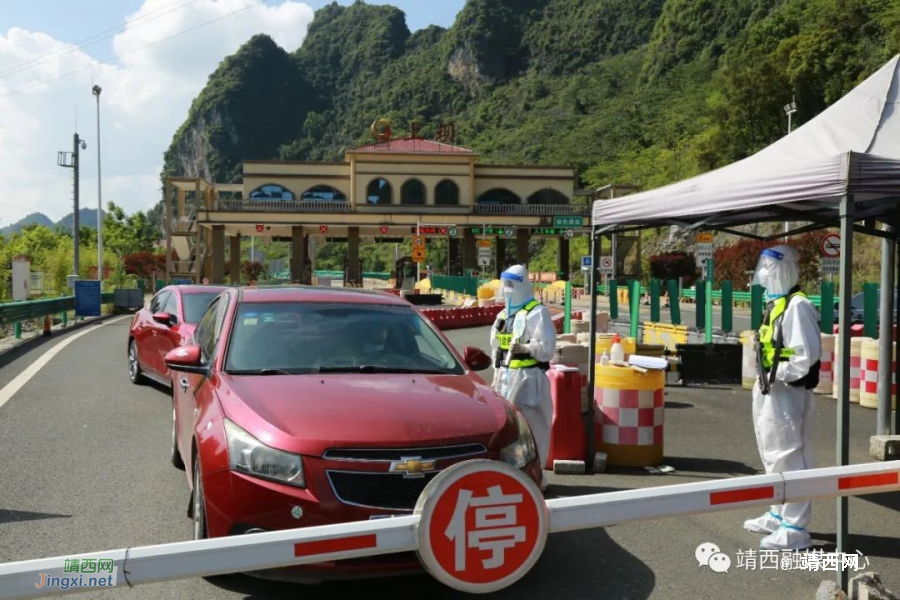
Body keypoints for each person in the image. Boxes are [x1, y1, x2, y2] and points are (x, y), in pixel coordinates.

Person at [744, 245, 822, 550]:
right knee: (770, 452)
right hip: (769, 388)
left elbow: (805, 355)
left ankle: (795, 528)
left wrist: (779, 370)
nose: (766, 275)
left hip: (787, 392)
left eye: (771, 269)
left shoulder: (797, 306)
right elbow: (785, 348)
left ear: (785, 271)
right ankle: (777, 511)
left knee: (788, 455)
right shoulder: (777, 304)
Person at [489, 264, 556, 490]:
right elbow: (495, 347)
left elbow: (547, 348)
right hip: (504, 378)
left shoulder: (537, 312)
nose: (507, 290)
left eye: (512, 285)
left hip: (529, 381)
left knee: (533, 429)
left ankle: (535, 480)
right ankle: (509, 478)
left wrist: (526, 349)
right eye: (505, 284)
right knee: (507, 431)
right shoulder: (502, 316)